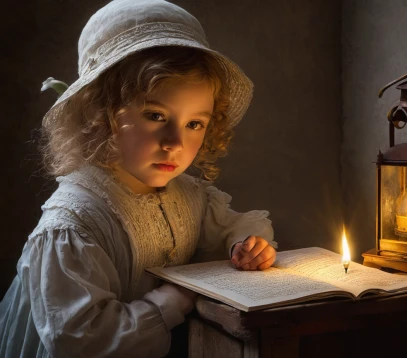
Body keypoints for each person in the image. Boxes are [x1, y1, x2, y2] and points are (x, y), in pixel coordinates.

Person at [0, 0, 278, 357]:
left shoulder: (188, 195)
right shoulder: (73, 225)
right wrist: (170, 302)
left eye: (195, 123)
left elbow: (225, 228)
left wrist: (244, 245)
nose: (176, 143)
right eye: (155, 115)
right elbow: (79, 340)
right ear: (99, 114)